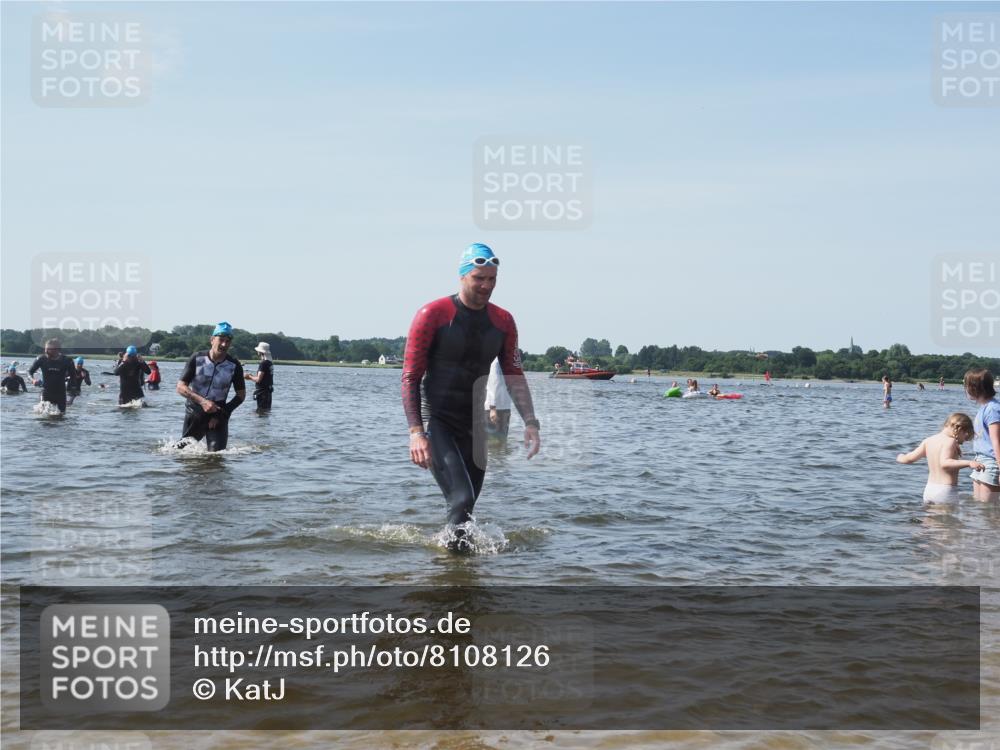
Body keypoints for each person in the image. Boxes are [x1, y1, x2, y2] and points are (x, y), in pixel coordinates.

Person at [402, 243, 540, 552]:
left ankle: (454, 570)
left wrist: (531, 422)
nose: (486, 286)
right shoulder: (433, 314)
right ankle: (456, 580)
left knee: (466, 509)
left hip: (475, 426)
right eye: (479, 278)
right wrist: (415, 433)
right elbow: (410, 376)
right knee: (461, 498)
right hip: (437, 421)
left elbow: (514, 373)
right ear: (462, 276)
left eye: (492, 279)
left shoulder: (503, 321)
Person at [176, 322, 246, 451]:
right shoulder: (197, 358)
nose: (224, 344)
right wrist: (202, 402)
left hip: (219, 414)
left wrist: (221, 414)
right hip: (195, 412)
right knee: (182, 452)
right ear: (212, 340)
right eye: (221, 340)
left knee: (217, 455)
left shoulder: (234, 365)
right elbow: (180, 387)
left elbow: (241, 395)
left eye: (228, 341)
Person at [896, 413, 984, 504]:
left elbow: (909, 459)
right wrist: (969, 463)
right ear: (960, 429)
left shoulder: (929, 440)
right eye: (966, 435)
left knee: (930, 517)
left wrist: (900, 457)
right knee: (948, 518)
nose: (965, 440)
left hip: (929, 490)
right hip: (945, 491)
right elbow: (945, 463)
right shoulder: (950, 441)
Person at [964, 368, 1000, 501]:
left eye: (966, 385)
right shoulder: (984, 408)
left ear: (974, 388)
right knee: (979, 509)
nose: (966, 389)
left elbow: (996, 440)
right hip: (979, 460)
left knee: (989, 510)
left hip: (992, 462)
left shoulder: (992, 409)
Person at [27, 339, 75, 413]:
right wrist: (33, 380)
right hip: (46, 392)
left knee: (61, 418)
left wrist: (71, 398)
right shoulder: (41, 359)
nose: (46, 351)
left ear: (57, 349)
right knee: (43, 418)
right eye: (45, 349)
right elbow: (29, 372)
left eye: (49, 349)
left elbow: (73, 379)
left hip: (60, 394)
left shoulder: (67, 361)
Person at [484, 357, 512, 440]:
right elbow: (493, 382)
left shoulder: (506, 359)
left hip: (504, 407)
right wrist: (492, 407)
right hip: (495, 408)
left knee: (500, 441)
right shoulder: (496, 360)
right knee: (494, 442)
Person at [244, 342, 274, 411]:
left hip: (262, 392)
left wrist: (249, 377)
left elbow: (258, 379)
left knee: (261, 412)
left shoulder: (263, 363)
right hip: (268, 391)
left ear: (260, 352)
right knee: (266, 411)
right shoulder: (270, 363)